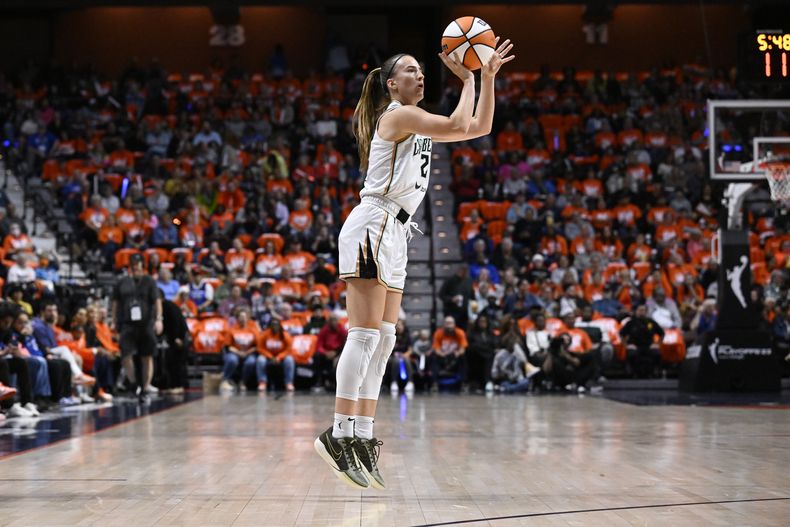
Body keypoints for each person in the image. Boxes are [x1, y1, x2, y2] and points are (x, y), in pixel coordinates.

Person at [315, 40, 516, 490]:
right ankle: (338, 432)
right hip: (374, 223)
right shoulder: (398, 114)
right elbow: (460, 120)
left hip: (398, 231)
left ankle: (362, 436)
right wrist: (466, 77)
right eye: (410, 71)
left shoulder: (417, 121)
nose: (420, 76)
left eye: (423, 71)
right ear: (391, 84)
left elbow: (479, 126)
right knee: (365, 335)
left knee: (385, 340)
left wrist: (487, 78)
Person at [111, 252, 163, 402]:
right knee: (126, 354)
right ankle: (134, 383)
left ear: (142, 266)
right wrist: (114, 320)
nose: (136, 267)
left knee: (147, 356)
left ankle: (145, 387)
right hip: (127, 323)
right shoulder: (122, 282)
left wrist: (159, 319)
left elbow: (157, 301)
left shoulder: (149, 281)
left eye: (138, 265)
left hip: (146, 322)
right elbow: (115, 302)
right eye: (133, 265)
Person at [620, 303, 665, 378]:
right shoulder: (631, 323)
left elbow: (662, 333)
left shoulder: (651, 322)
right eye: (640, 310)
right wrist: (626, 345)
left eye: (643, 310)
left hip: (648, 346)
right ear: (636, 311)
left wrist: (658, 344)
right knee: (631, 353)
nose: (642, 312)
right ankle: (631, 372)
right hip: (635, 346)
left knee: (657, 353)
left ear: (646, 312)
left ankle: (656, 372)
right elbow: (621, 334)